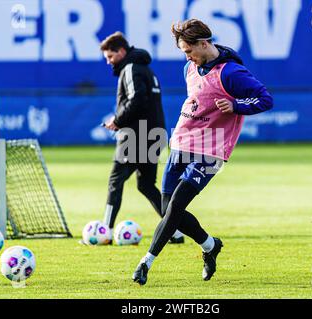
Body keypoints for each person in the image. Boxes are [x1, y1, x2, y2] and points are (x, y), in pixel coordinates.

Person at [132, 19, 274, 285]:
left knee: (175, 207)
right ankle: (210, 245)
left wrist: (235, 105)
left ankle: (146, 262)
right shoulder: (190, 68)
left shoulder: (231, 73)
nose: (187, 57)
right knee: (166, 207)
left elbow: (265, 99)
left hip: (211, 151)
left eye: (189, 50)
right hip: (182, 142)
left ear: (204, 43)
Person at [95, 32, 184, 244]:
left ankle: (105, 232)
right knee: (146, 184)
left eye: (110, 56)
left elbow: (137, 100)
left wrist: (117, 120)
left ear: (121, 52)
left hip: (136, 136)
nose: (108, 62)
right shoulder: (146, 69)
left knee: (115, 181)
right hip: (154, 134)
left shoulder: (130, 68)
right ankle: (176, 231)